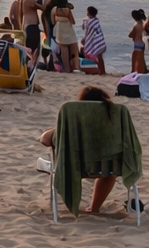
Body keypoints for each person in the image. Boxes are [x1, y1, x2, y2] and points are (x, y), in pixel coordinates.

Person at [36, 85, 123, 214]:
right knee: (109, 173)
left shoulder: (72, 128)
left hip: (72, 168)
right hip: (105, 168)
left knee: (53, 163)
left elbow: (45, 139)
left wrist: (62, 126)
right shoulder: (112, 129)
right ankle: (94, 208)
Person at [51, 0, 79, 73]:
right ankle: (76, 67)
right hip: (69, 31)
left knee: (64, 51)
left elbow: (53, 22)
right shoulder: (68, 10)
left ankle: (67, 69)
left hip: (60, 31)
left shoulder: (54, 10)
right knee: (75, 50)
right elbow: (73, 22)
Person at [80, 5, 106, 74]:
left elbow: (86, 30)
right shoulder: (96, 21)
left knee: (90, 55)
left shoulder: (87, 21)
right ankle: (102, 71)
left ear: (88, 13)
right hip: (99, 41)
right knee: (99, 57)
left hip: (93, 41)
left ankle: (94, 70)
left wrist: (84, 39)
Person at [127, 9, 147, 74]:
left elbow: (130, 35)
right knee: (142, 58)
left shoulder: (136, 25)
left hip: (137, 43)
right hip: (143, 43)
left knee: (135, 58)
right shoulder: (143, 24)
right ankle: (144, 69)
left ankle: (133, 71)